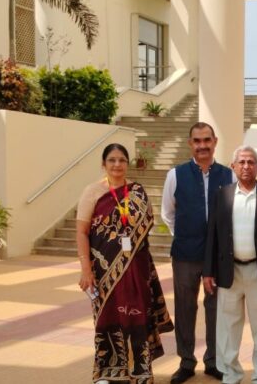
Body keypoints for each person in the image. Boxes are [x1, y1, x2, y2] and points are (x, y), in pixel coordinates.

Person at [76, 143, 173, 384]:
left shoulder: (137, 191)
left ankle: (140, 371)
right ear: (103, 164)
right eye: (112, 160)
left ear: (127, 164)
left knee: (137, 316)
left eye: (121, 160)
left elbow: (145, 226)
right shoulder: (92, 192)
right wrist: (86, 269)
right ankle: (106, 372)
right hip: (104, 270)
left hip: (137, 269)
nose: (117, 165)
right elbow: (81, 232)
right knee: (107, 316)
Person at [202, 145, 257, 384]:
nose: (246, 166)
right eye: (241, 162)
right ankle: (231, 375)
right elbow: (213, 235)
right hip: (228, 272)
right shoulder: (222, 195)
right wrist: (208, 271)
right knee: (228, 328)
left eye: (251, 162)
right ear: (233, 166)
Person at [161, 122, 232, 384]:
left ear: (215, 142)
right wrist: (184, 235)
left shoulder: (229, 175)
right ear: (190, 143)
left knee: (216, 308)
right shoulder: (175, 174)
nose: (202, 145)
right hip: (185, 254)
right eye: (197, 141)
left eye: (207, 140)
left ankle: (213, 361)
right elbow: (168, 213)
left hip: (217, 256)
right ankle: (186, 362)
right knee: (185, 307)